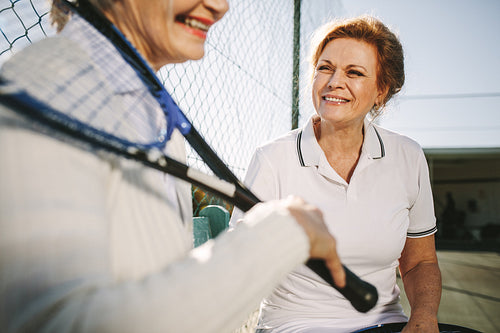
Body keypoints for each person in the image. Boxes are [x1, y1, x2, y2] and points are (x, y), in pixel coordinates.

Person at [0, 0, 346, 332]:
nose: (220, 6)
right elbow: (53, 323)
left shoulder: (156, 114)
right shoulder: (48, 82)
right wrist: (282, 232)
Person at [230, 15, 442, 333]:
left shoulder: (408, 156)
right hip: (295, 326)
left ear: (381, 90)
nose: (333, 82)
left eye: (354, 72)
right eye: (325, 68)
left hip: (385, 323)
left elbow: (419, 262)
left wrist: (424, 316)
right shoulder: (273, 158)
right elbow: (240, 262)